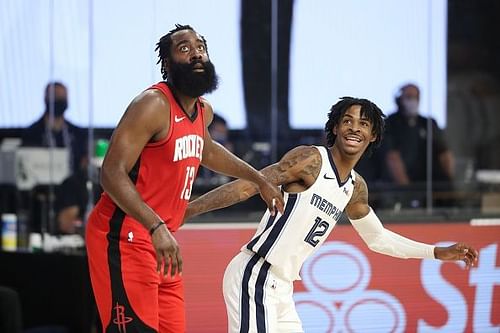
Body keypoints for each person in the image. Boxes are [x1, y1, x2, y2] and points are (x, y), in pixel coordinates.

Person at [184, 97, 479, 333]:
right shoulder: (311, 159)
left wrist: (437, 252)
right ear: (335, 128)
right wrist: (190, 209)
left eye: (363, 124)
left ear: (372, 135)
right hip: (255, 275)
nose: (354, 128)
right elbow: (250, 184)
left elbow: (378, 239)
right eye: (347, 121)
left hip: (282, 287)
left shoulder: (354, 187)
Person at [85, 24, 284, 333]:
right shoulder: (152, 105)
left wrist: (258, 178)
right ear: (168, 64)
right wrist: (156, 226)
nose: (196, 54)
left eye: (201, 46)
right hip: (124, 238)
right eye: (184, 48)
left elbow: (206, 149)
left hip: (162, 241)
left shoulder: (202, 111)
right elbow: (111, 173)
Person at [384, 83, 455, 207]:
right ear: (399, 100)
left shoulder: (428, 123)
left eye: (416, 97)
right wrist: (408, 192)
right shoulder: (390, 123)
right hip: (401, 188)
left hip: (429, 184)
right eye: (409, 97)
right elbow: (392, 158)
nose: (413, 101)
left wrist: (449, 185)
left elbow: (444, 154)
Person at [21, 81, 87, 173]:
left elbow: (84, 162)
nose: (60, 99)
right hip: (41, 185)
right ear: (46, 98)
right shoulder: (31, 134)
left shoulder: (78, 134)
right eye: (56, 96)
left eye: (63, 97)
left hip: (73, 184)